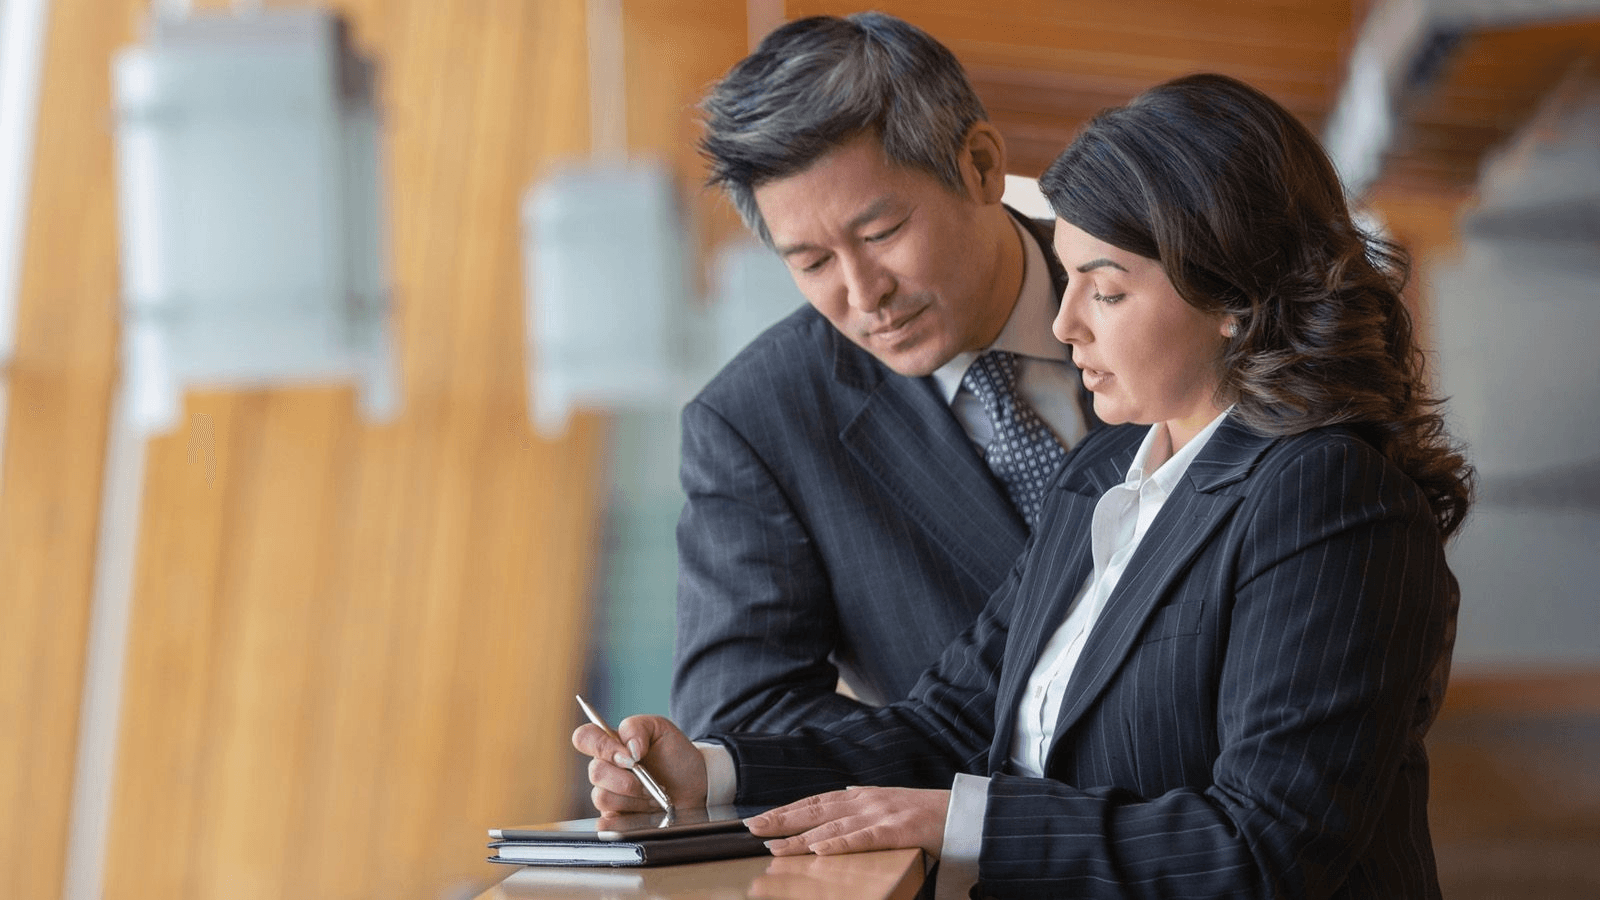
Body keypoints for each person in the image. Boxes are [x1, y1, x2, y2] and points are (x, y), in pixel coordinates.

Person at [576, 72, 1474, 899]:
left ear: (1234, 297)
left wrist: (964, 823)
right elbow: (945, 724)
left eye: (1107, 290)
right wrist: (712, 772)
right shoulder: (1102, 473)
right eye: (1070, 277)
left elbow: (1269, 844)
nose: (1064, 320)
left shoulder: (1330, 495)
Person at [672, 12, 1096, 738]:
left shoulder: (1173, 287)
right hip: (986, 847)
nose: (864, 294)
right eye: (810, 263)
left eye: (881, 235)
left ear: (984, 167)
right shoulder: (759, 423)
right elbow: (742, 716)